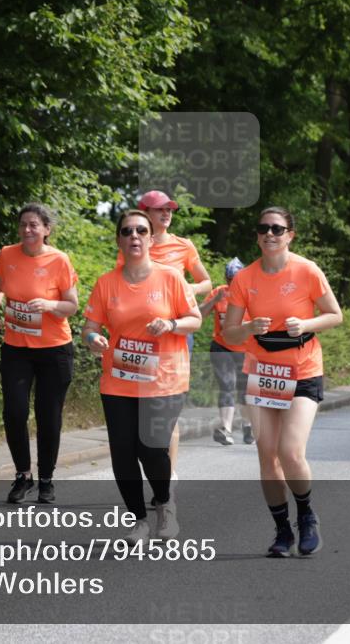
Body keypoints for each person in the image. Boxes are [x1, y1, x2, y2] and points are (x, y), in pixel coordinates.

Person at [222, 207, 343, 557]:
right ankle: (281, 531)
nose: (269, 234)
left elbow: (335, 315)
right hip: (262, 373)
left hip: (303, 370)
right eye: (263, 228)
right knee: (267, 456)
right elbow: (230, 332)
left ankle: (306, 515)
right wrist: (247, 328)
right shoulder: (244, 278)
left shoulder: (306, 271)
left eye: (277, 228)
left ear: (291, 234)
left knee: (290, 451)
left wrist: (305, 326)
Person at [82, 209, 202, 545]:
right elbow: (89, 327)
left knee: (151, 449)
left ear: (150, 238)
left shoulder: (170, 278)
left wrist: (172, 325)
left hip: (164, 379)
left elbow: (195, 319)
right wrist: (94, 340)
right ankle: (138, 520)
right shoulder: (107, 283)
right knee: (122, 452)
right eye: (127, 231)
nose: (134, 236)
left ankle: (165, 502)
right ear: (119, 239)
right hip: (119, 378)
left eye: (140, 231)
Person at [118, 191, 212, 488]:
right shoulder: (132, 243)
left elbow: (206, 282)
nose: (167, 214)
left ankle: (167, 475)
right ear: (144, 212)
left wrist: (183, 290)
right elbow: (120, 281)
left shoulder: (183, 246)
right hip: (139, 337)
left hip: (176, 329)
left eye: (170, 209)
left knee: (166, 410)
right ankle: (149, 468)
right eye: (159, 210)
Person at [0, 204, 79, 504]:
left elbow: (72, 305)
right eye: (24, 224)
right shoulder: (7, 254)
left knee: (48, 416)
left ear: (46, 230)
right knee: (14, 412)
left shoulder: (59, 260)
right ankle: (23, 476)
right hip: (17, 348)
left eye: (34, 225)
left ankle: (47, 479)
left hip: (54, 349)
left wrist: (50, 306)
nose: (28, 230)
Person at [200, 257, 254, 446]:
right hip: (221, 346)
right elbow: (199, 315)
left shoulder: (252, 294)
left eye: (236, 280)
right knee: (227, 385)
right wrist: (214, 300)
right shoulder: (219, 292)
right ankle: (227, 430)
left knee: (244, 389)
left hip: (246, 349)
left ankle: (248, 427)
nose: (232, 283)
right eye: (229, 279)